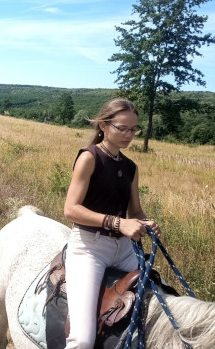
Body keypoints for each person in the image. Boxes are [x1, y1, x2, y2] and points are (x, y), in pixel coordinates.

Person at [63, 98, 161, 349]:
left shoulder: (131, 167)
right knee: (82, 340)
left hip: (125, 249)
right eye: (122, 128)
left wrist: (146, 223)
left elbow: (135, 211)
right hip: (90, 248)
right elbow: (71, 209)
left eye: (133, 129)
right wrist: (118, 223)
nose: (129, 135)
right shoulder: (89, 157)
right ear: (103, 126)